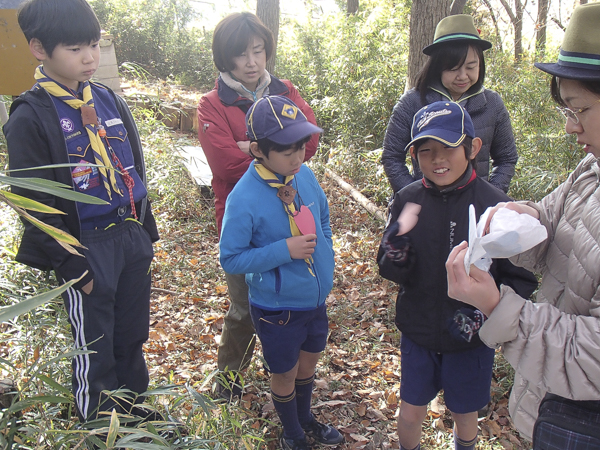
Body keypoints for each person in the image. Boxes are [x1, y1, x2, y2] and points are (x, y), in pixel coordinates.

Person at [445, 2, 600, 443]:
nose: (571, 128)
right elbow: (552, 215)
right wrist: (521, 217)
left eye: (578, 109)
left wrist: (498, 309)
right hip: (552, 404)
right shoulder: (592, 169)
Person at [3, 0, 159, 422]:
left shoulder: (107, 99)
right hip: (85, 246)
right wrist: (70, 263)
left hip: (128, 235)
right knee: (95, 342)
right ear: (39, 48)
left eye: (93, 44)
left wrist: (145, 233)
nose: (90, 57)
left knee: (130, 335)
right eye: (75, 49)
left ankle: (133, 411)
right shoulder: (30, 115)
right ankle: (99, 425)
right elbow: (33, 201)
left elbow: (132, 164)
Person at [377, 101, 537, 450]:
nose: (437, 159)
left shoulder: (494, 207)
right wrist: (397, 246)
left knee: (465, 415)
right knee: (409, 412)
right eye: (425, 150)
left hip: (469, 340)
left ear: (473, 147)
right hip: (418, 331)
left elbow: (520, 277)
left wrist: (485, 309)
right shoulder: (408, 199)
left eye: (448, 147)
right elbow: (387, 265)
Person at [197, 12, 319, 399]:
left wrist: (249, 148)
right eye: (240, 55)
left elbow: (310, 142)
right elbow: (223, 164)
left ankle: (282, 374)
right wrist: (271, 150)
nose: (251, 62)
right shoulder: (213, 103)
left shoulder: (285, 91)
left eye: (257, 51)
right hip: (242, 221)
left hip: (289, 216)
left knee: (285, 300)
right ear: (225, 58)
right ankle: (229, 380)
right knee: (243, 306)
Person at [219, 95, 342, 450]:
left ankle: (305, 418)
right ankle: (292, 432)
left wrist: (326, 257)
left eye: (302, 146)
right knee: (284, 372)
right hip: (277, 308)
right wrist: (283, 251)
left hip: (313, 300)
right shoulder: (244, 197)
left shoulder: (305, 176)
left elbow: (322, 217)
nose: (298, 156)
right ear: (258, 149)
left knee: (307, 366)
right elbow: (231, 258)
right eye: (288, 150)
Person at [381, 14, 517, 194]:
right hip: (425, 207)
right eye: (453, 68)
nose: (462, 76)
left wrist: (489, 196)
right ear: (437, 67)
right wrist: (415, 197)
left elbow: (507, 158)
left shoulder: (492, 104)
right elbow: (391, 157)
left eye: (470, 67)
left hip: (474, 209)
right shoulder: (412, 103)